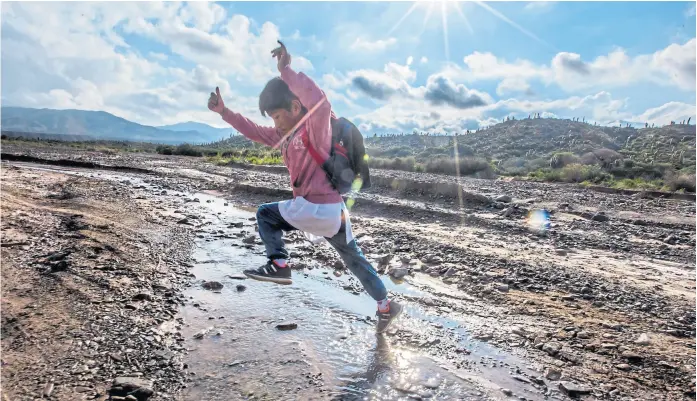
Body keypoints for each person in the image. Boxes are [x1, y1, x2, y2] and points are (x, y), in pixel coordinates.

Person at [207, 41, 402, 334]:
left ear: (296, 106)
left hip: (317, 207)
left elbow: (319, 100)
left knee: (265, 215)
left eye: (276, 116)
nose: (274, 124)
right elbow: (252, 130)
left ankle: (280, 264)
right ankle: (386, 306)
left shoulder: (316, 127)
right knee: (355, 260)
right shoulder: (282, 136)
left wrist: (286, 71)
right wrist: (224, 112)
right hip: (333, 212)